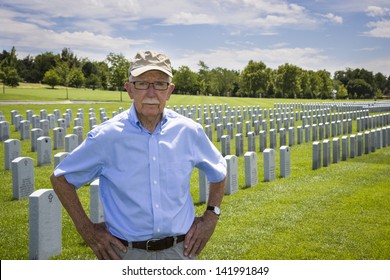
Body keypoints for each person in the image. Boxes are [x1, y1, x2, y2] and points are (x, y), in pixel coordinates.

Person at [50, 50, 227, 260]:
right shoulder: (107, 137)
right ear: (129, 89)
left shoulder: (188, 131)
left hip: (180, 252)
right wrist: (86, 229)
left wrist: (211, 215)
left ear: (169, 91)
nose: (151, 93)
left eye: (160, 84)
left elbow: (219, 170)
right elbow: (61, 179)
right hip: (126, 254)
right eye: (142, 83)